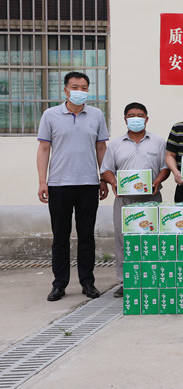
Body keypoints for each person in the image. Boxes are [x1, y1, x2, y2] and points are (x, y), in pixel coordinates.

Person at [37, 71, 109, 301]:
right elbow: (44, 149)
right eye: (75, 87)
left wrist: (104, 178)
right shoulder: (50, 115)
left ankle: (87, 282)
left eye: (84, 88)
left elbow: (101, 149)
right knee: (60, 237)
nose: (80, 91)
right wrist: (42, 182)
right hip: (59, 185)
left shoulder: (96, 115)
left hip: (88, 184)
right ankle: (59, 284)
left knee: (86, 237)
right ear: (65, 90)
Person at [100, 102, 169, 297]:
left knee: (152, 240)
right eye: (131, 116)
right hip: (125, 200)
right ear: (125, 119)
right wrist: (114, 182)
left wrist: (158, 180)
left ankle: (152, 279)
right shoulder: (115, 144)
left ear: (147, 119)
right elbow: (106, 169)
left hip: (151, 199)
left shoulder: (158, 142)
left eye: (140, 115)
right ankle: (126, 281)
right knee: (123, 241)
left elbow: (165, 167)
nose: (136, 119)